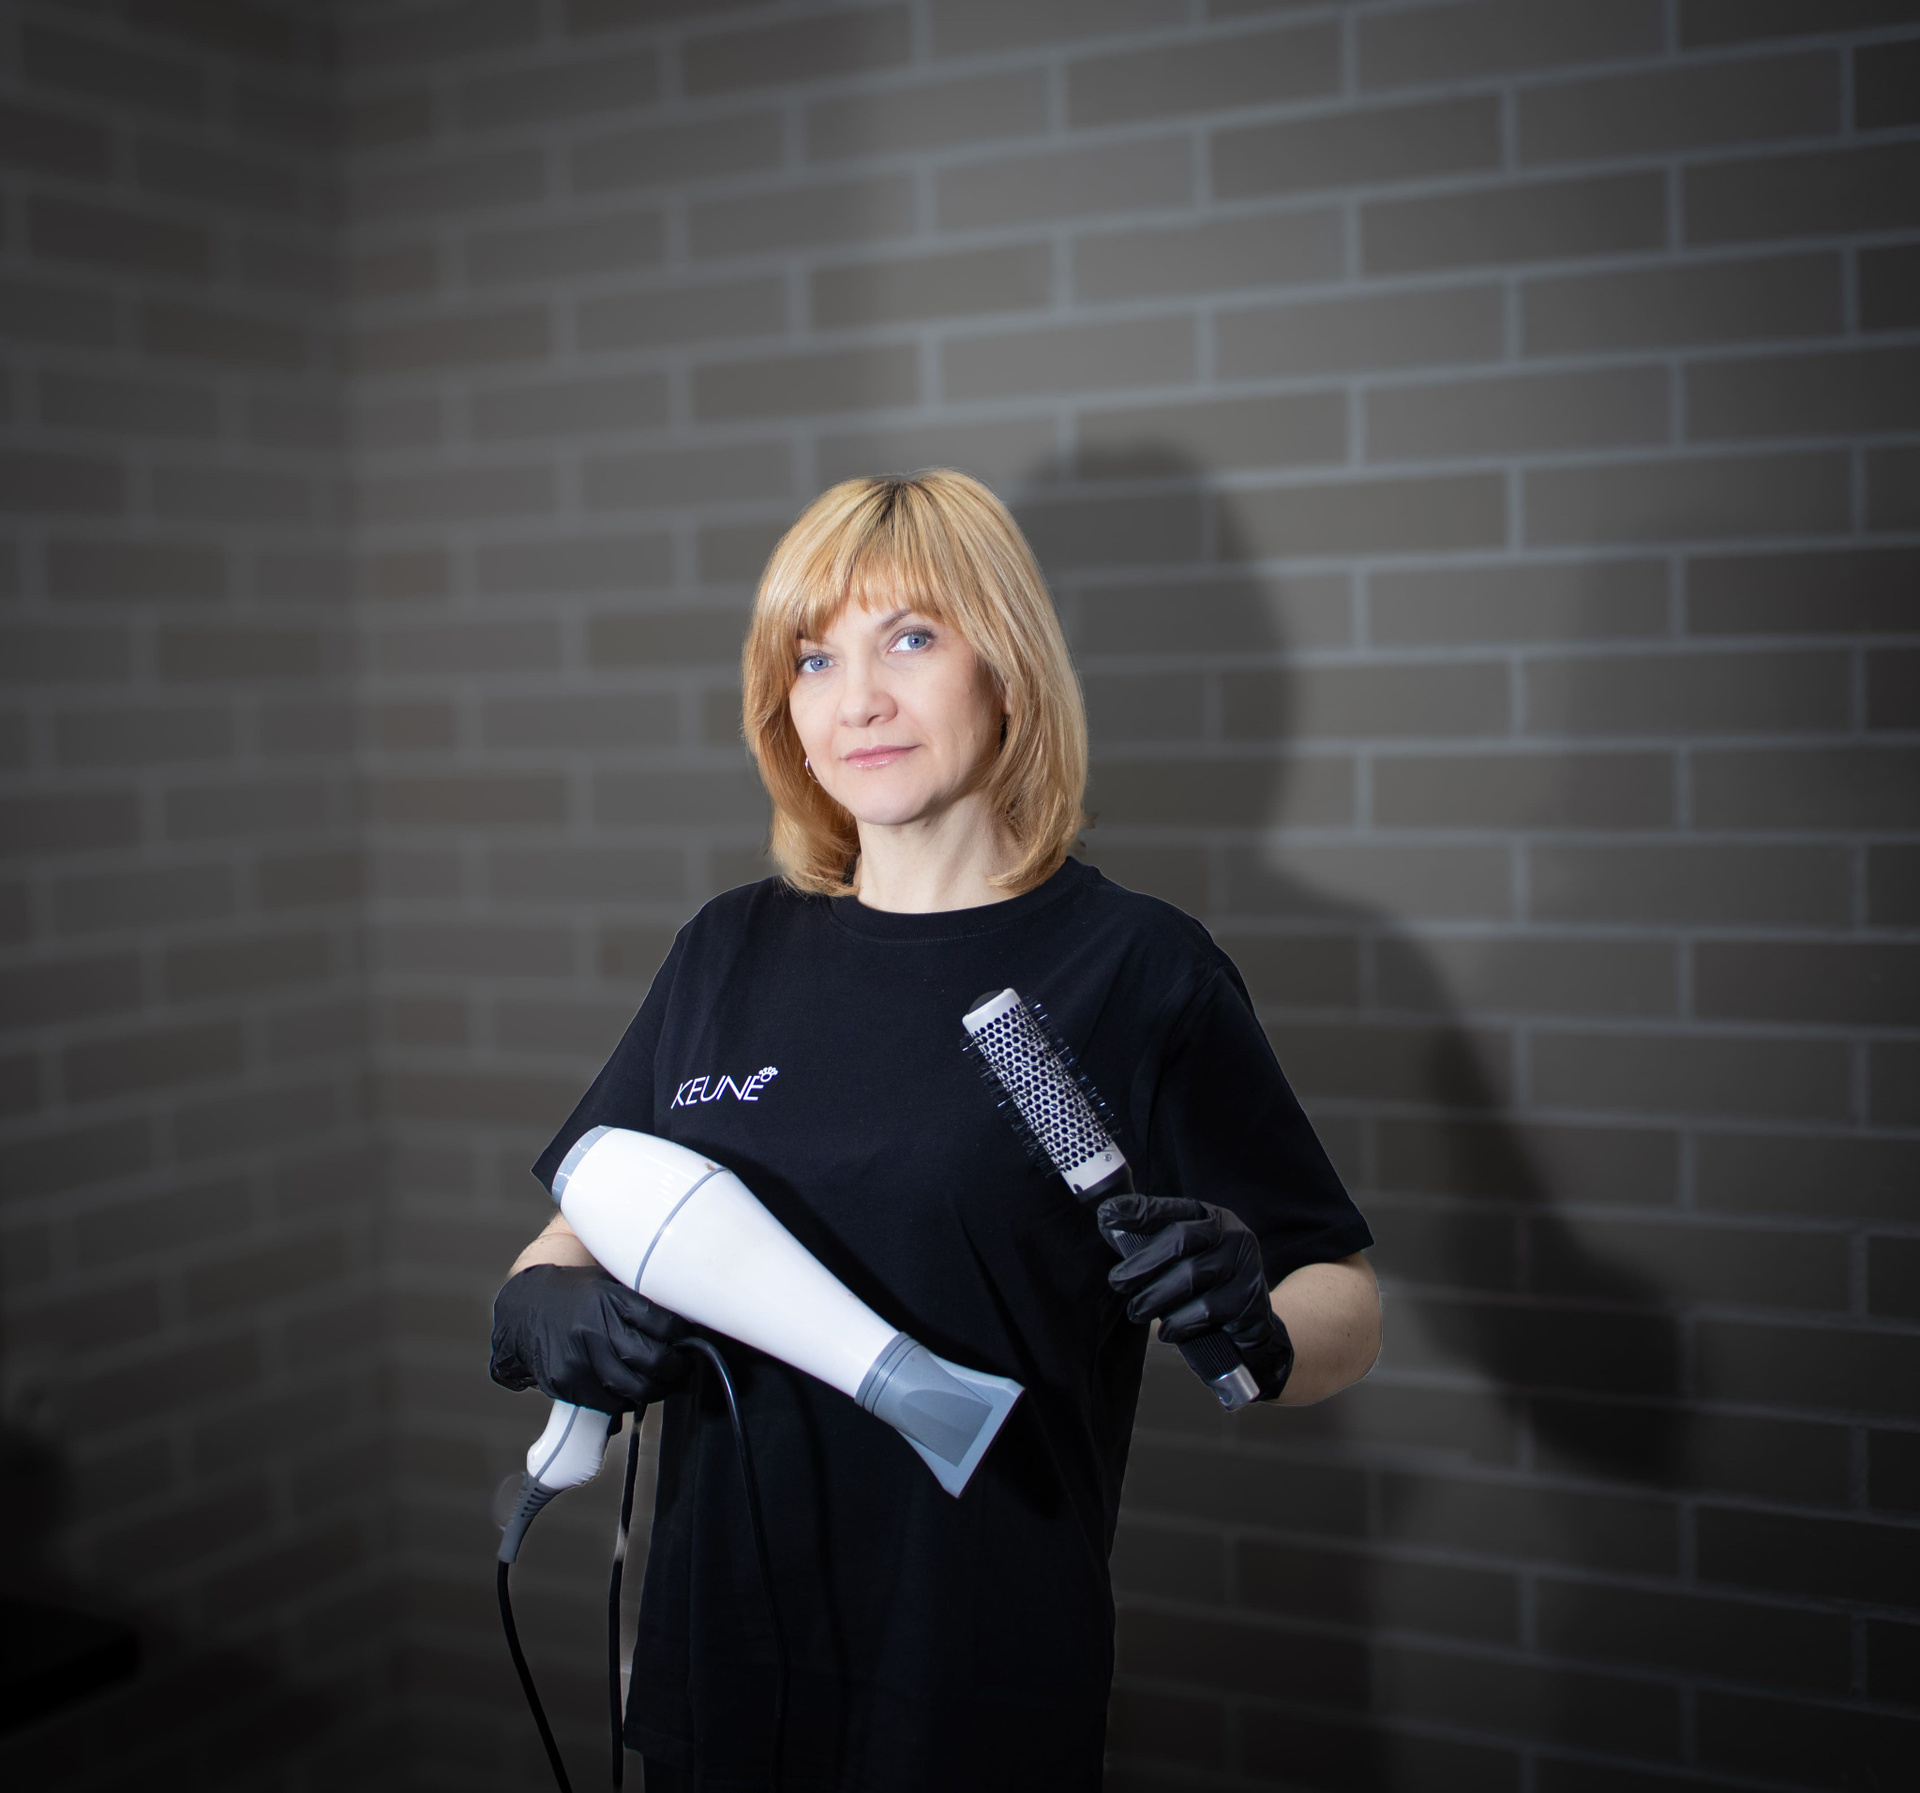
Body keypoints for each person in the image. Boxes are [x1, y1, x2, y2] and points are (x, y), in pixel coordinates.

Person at [489, 470, 1380, 1791]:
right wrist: (544, 1302)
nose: (857, 698)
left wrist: (1258, 1317)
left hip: (978, 1679)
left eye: (910, 638)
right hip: (721, 1673)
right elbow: (576, 1223)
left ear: (1005, 669)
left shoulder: (1138, 968)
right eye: (814, 657)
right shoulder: (730, 949)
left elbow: (1341, 1299)